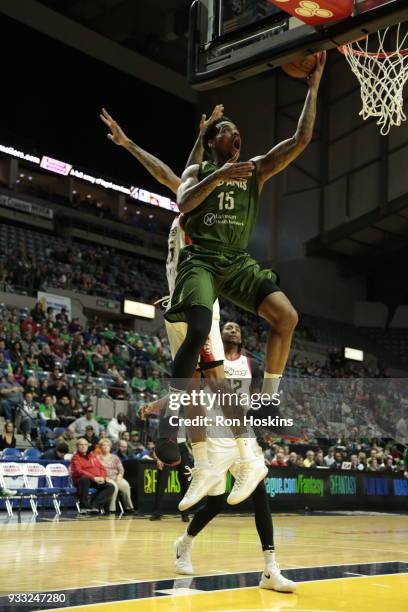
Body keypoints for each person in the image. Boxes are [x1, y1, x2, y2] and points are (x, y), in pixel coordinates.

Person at [163, 54, 326, 504]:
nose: (235, 136)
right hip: (202, 262)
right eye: (226, 132)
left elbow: (301, 138)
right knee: (199, 334)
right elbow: (183, 204)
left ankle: (268, 397)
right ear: (214, 141)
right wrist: (217, 179)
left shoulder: (253, 169)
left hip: (235, 260)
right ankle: (195, 445)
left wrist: (313, 86)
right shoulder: (200, 172)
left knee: (286, 316)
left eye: (237, 133)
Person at [173, 320, 296, 592]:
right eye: (227, 326)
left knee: (260, 494)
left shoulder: (251, 364)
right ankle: (185, 543)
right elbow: (188, 393)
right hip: (212, 433)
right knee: (215, 504)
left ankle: (270, 568)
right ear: (219, 335)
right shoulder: (209, 359)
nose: (232, 329)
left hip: (241, 435)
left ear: (241, 339)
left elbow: (258, 401)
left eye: (237, 328)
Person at [70, 438, 114, 513]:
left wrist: (102, 478)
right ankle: (84, 507)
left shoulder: (92, 455)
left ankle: (95, 506)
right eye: (81, 445)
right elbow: (79, 471)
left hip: (96, 480)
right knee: (84, 479)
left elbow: (102, 468)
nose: (83, 446)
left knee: (110, 487)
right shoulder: (75, 458)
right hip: (82, 481)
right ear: (77, 446)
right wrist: (93, 478)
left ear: (87, 446)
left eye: (85, 445)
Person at [97, 438, 134, 513]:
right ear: (100, 447)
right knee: (115, 487)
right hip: (106, 478)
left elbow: (121, 469)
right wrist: (104, 477)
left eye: (107, 445)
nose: (106, 447)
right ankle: (111, 509)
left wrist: (119, 476)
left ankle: (129, 507)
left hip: (116, 477)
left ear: (110, 447)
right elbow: (96, 471)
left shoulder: (115, 457)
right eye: (103, 445)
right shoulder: (97, 458)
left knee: (125, 485)